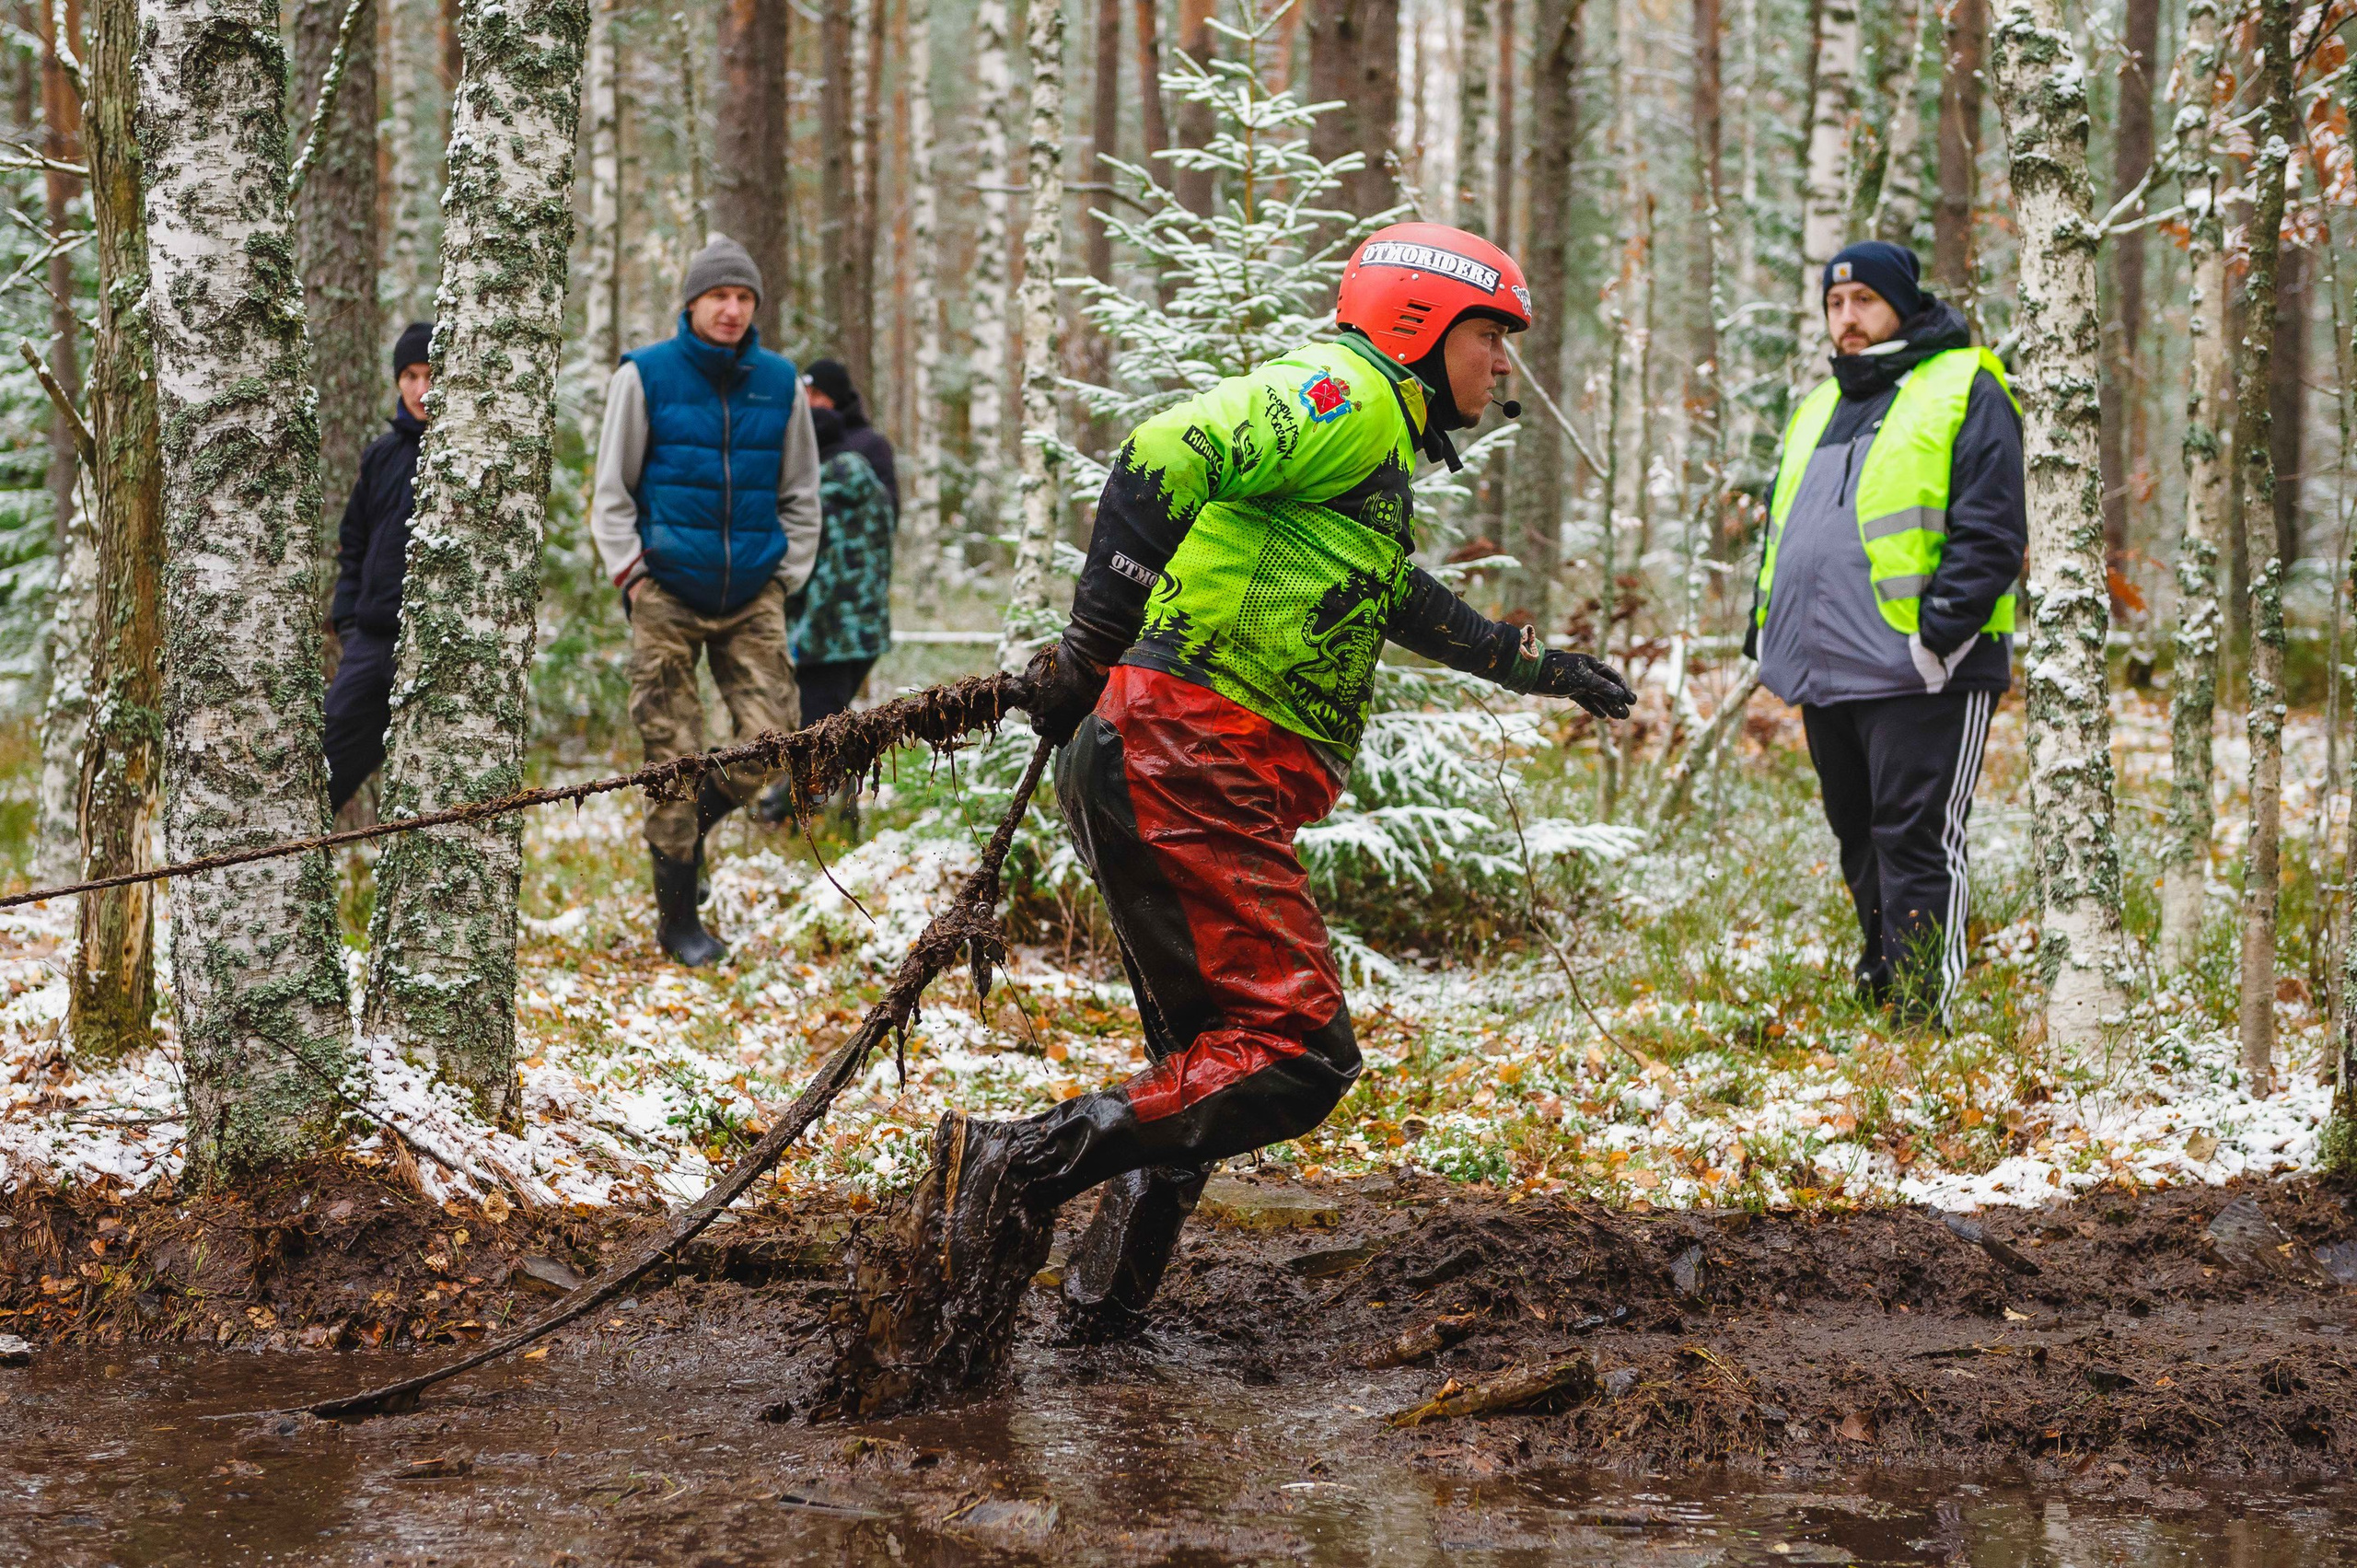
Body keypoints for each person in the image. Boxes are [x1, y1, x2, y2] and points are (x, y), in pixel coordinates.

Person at [836, 223, 1635, 1410]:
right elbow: (1164, 451)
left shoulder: (1369, 457)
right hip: (1183, 751)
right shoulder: (1351, 396)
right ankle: (1009, 1162)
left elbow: (1387, 586)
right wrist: (1088, 646)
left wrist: (1533, 663)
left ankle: (1102, 1320)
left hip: (1171, 753)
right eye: (1492, 338)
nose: (1502, 367)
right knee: (1299, 1055)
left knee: (1206, 1063)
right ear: (1423, 326)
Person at [1743, 239, 2026, 1026]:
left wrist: (1938, 637)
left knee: (1916, 836)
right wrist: (1763, 634)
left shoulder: (1965, 384)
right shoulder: (1819, 406)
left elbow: (1993, 532)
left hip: (1926, 667)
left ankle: (1920, 1008)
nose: (1847, 319)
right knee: (1858, 834)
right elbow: (1783, 536)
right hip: (1828, 666)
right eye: (1835, 304)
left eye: (1864, 300)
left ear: (1903, 303)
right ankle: (1882, 978)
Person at [590, 235, 822, 968]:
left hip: (754, 588)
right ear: (691, 303)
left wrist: (787, 575)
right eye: (718, 295)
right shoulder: (646, 376)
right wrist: (633, 575)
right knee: (672, 752)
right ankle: (679, 924)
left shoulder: (780, 381)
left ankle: (686, 825)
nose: (731, 308)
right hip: (666, 588)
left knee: (774, 739)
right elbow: (611, 491)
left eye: (744, 297)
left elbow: (801, 492)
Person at [752, 400, 897, 827]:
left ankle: (795, 814)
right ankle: (833, 819)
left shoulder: (813, 495)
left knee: (815, 733)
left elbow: (799, 565)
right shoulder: (870, 486)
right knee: (834, 726)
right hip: (867, 633)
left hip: (823, 633)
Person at [324, 320, 435, 814]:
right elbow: (354, 543)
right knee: (325, 766)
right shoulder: (382, 456)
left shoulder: (461, 454)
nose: (421, 388)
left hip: (437, 645)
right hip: (372, 641)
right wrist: (349, 622)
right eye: (409, 375)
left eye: (431, 373)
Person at [800, 358, 898, 511]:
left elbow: (888, 510)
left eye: (817, 394)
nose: (808, 401)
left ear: (836, 398)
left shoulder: (871, 445)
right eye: (804, 393)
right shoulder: (797, 441)